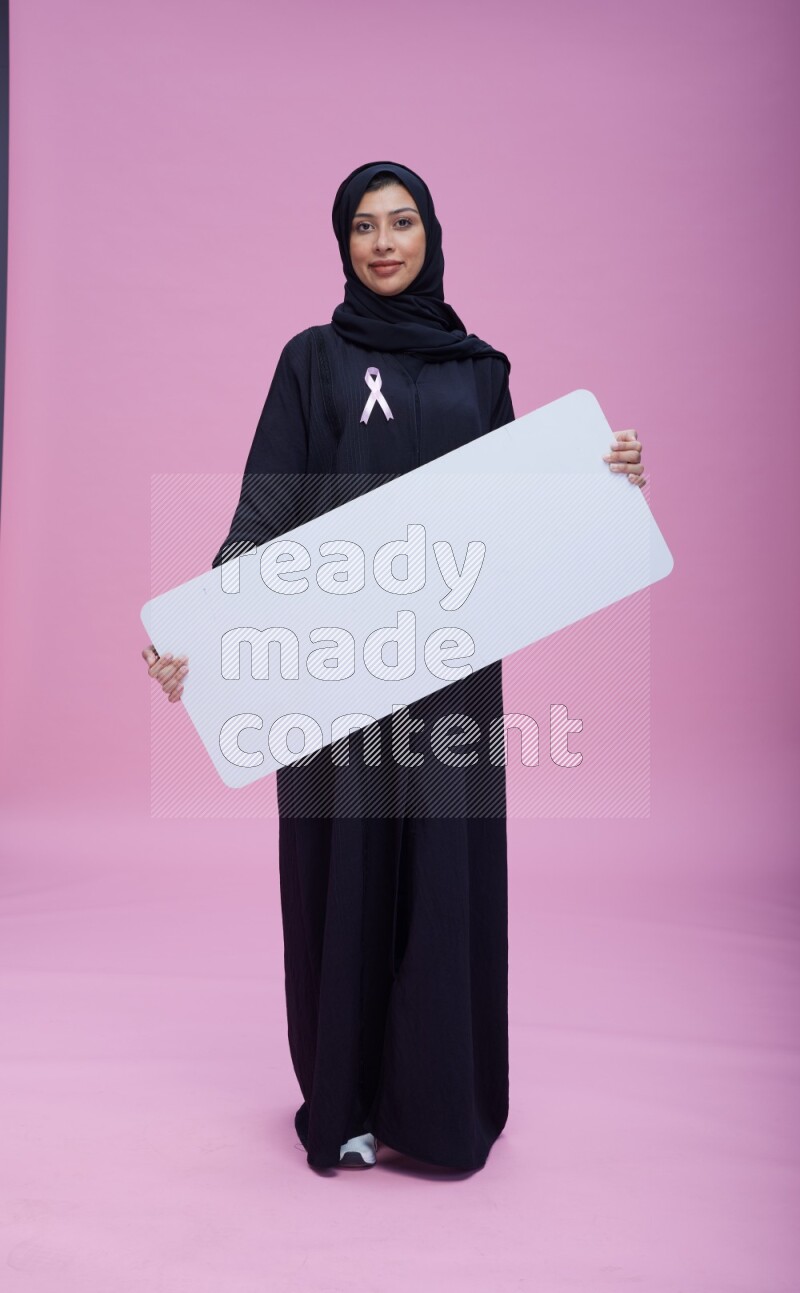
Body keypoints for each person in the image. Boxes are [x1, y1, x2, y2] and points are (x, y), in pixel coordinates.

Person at [143, 160, 645, 1174]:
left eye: (399, 222)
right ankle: (347, 1108)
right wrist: (210, 633)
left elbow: (524, 522)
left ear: (430, 234)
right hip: (330, 677)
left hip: (450, 684)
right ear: (341, 244)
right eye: (362, 227)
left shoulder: (480, 373)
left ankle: (441, 1113)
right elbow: (262, 514)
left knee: (443, 885)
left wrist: (603, 479)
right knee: (345, 881)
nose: (381, 242)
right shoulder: (311, 362)